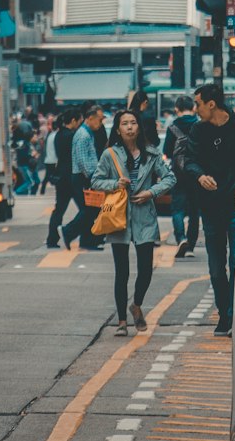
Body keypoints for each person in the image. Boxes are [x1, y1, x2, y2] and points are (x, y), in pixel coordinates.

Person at [184, 82, 235, 337]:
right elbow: (189, 160)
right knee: (217, 268)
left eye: (198, 103)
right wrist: (199, 176)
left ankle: (233, 317)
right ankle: (224, 314)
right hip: (210, 207)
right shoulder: (198, 130)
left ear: (211, 103)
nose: (195, 109)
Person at [90, 108, 175, 334]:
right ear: (118, 129)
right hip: (118, 215)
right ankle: (121, 322)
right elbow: (96, 180)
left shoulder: (152, 153)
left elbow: (170, 178)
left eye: (133, 123)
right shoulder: (110, 154)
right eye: (125, 123)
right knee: (122, 271)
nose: (129, 127)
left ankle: (136, 304)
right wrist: (114, 184)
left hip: (144, 215)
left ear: (139, 127)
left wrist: (151, 192)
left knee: (145, 269)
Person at [62, 104, 105, 251]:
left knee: (91, 210)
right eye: (100, 119)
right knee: (88, 210)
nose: (101, 123)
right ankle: (68, 231)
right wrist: (91, 178)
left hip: (85, 177)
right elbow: (82, 160)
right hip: (82, 178)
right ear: (90, 118)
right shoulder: (83, 135)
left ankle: (87, 241)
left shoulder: (87, 133)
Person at [163, 94, 199, 259]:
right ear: (193, 108)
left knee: (177, 209)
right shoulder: (199, 125)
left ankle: (181, 238)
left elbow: (167, 152)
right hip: (197, 174)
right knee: (194, 211)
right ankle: (191, 246)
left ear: (176, 109)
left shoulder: (172, 128)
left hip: (178, 174)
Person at [46, 107, 82, 248]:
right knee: (86, 209)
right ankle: (72, 232)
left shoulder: (58, 135)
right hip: (71, 177)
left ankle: (52, 238)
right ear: (73, 121)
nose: (80, 124)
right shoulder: (72, 136)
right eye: (79, 121)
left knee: (59, 210)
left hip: (61, 176)